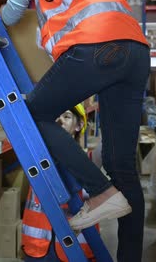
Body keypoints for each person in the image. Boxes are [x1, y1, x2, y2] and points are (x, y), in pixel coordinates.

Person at [0, 0, 150, 261]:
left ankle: (99, 192)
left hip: (96, 45)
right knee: (121, 165)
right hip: (136, 50)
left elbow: (12, 11)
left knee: (34, 114)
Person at [22, 104, 100, 262]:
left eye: (67, 116)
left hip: (74, 248)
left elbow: (105, 150)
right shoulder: (37, 157)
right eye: (56, 117)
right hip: (38, 247)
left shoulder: (87, 162)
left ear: (79, 125)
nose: (60, 121)